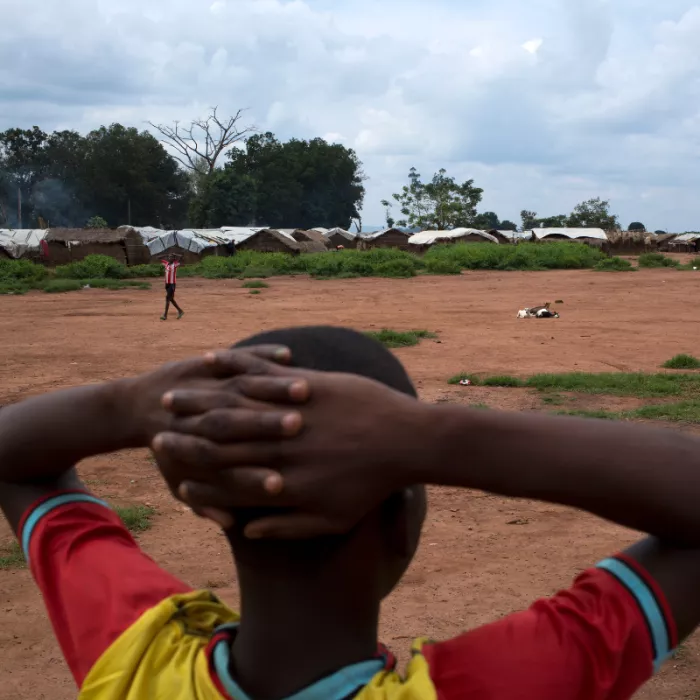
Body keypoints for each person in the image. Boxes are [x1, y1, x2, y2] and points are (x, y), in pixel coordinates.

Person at [0, 327, 697, 700]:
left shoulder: (134, 654)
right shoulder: (497, 686)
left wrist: (127, 406)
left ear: (209, 506)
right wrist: (431, 437)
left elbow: (16, 456)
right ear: (402, 521)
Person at [160, 253, 184, 321]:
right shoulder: (166, 263)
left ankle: (165, 315)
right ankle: (180, 311)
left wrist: (175, 254)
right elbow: (158, 258)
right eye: (169, 257)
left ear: (174, 258)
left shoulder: (175, 264)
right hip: (167, 284)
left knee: (167, 298)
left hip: (172, 284)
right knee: (171, 299)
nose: (169, 258)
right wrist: (165, 255)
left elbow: (181, 256)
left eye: (171, 257)